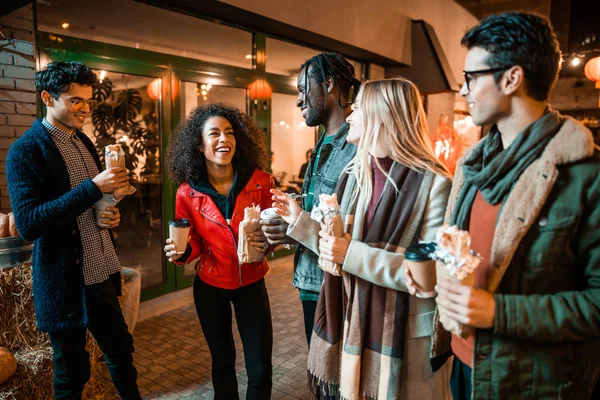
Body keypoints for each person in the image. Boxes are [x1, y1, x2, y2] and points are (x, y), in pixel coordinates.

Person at [431, 12, 600, 399]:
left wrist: (498, 312)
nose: (463, 89)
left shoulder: (584, 175)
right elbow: (461, 252)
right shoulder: (472, 166)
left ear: (511, 78)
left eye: (471, 77)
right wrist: (427, 267)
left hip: (530, 383)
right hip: (463, 368)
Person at [270, 77, 452, 399]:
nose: (350, 116)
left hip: (404, 336)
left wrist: (353, 255)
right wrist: (298, 219)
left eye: (359, 109)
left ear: (383, 116)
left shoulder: (434, 183)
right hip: (354, 319)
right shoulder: (355, 174)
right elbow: (334, 246)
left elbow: (433, 272)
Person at [6, 61, 141, 399]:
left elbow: (88, 207)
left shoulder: (83, 142)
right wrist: (93, 188)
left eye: (89, 101)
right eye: (75, 101)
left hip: (101, 269)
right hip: (64, 281)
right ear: (47, 98)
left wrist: (108, 216)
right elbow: (29, 223)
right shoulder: (25, 151)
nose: (85, 109)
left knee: (121, 353)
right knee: (71, 372)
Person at [164, 103, 274, 399]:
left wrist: (271, 240)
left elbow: (272, 229)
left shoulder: (260, 182)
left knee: (260, 369)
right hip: (210, 287)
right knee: (223, 362)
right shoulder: (187, 193)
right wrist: (182, 250)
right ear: (199, 145)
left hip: (251, 283)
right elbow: (194, 243)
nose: (224, 139)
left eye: (229, 133)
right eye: (214, 134)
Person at [261, 52, 361, 345]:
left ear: (329, 84)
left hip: (337, 286)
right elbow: (317, 214)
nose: (298, 100)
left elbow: (355, 229)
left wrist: (299, 224)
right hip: (311, 282)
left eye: (303, 89)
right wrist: (288, 230)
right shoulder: (321, 144)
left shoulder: (357, 146)